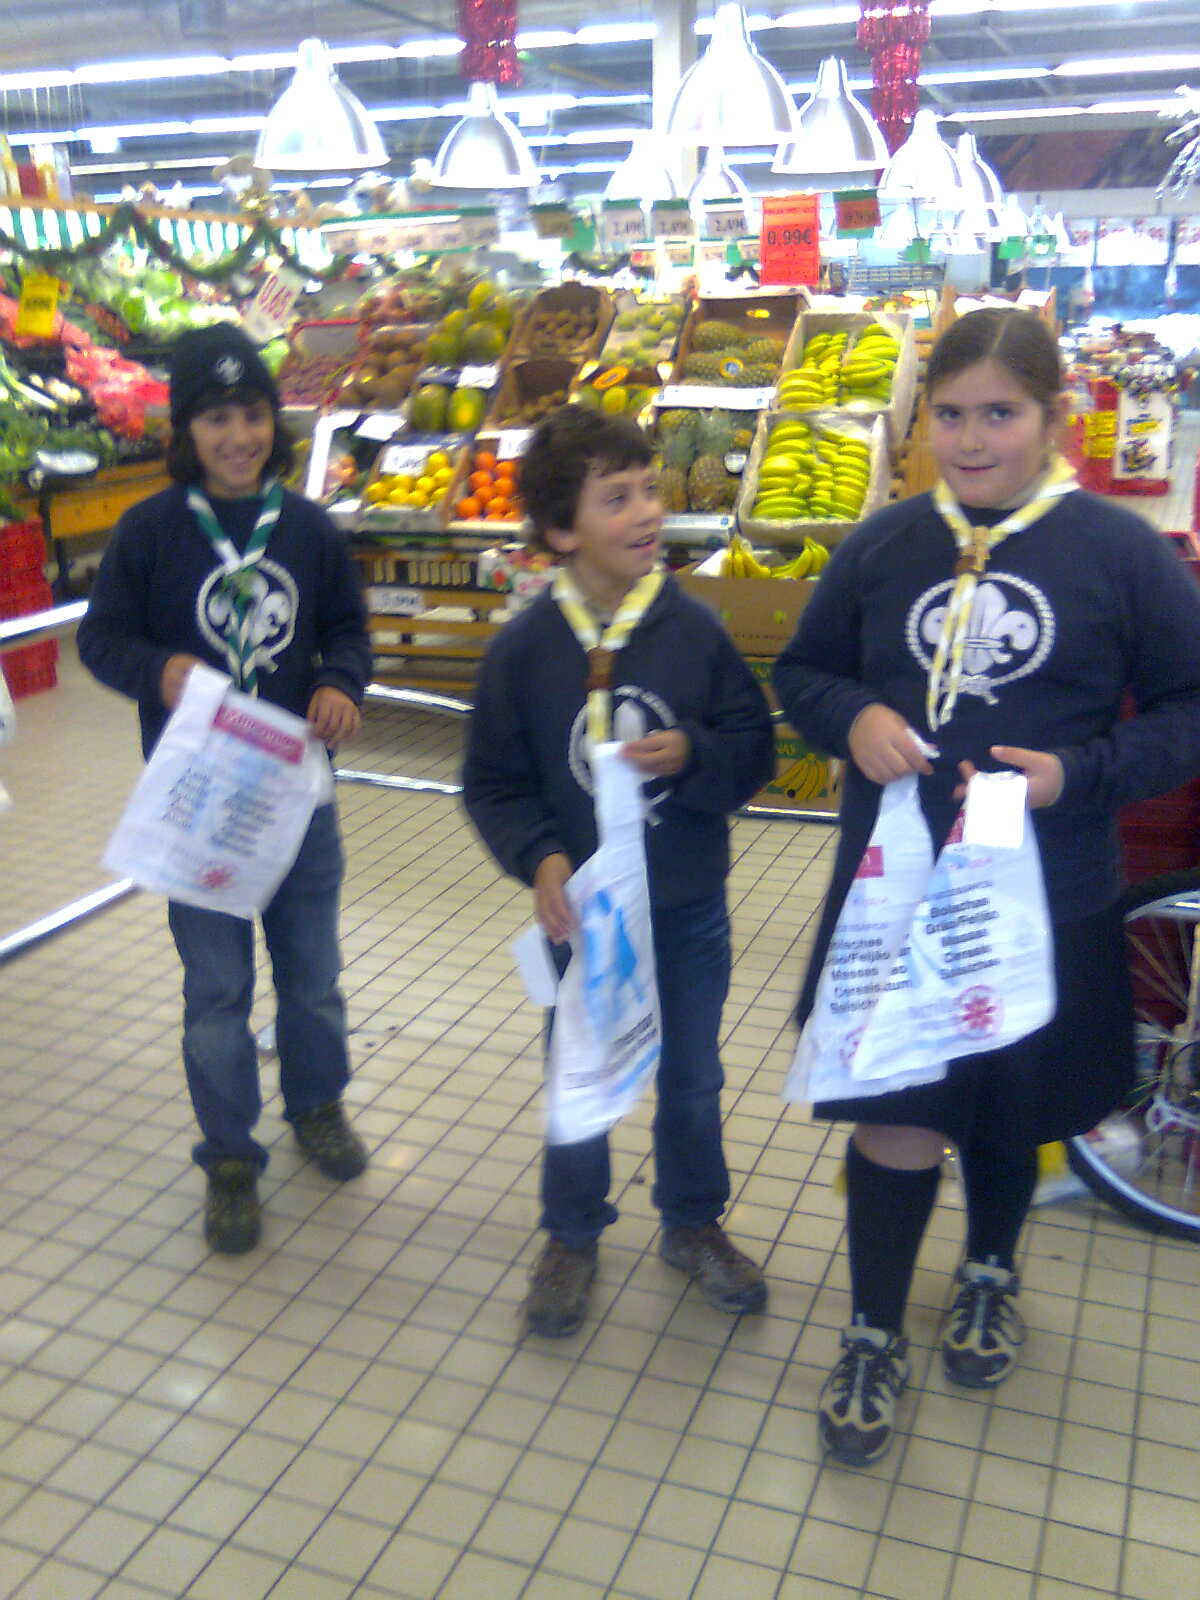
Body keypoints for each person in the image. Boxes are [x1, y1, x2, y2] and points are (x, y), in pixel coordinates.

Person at [773, 307, 1200, 1467]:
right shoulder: (881, 545)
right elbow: (803, 669)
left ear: (1055, 415)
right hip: (895, 894)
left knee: (1010, 1107)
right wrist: (852, 715)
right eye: (951, 414)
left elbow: (1187, 708)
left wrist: (1081, 773)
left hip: (1046, 892)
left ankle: (990, 1269)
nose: (971, 440)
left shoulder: (1119, 554)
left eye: (1000, 413)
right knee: (898, 1114)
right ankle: (872, 1325)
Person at [462, 406, 776, 1338]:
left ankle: (692, 1220)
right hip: (584, 917)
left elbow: (755, 746)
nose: (646, 512)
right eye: (617, 498)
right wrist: (540, 857)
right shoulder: (523, 651)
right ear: (562, 531)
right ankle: (570, 1232)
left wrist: (696, 753)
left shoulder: (695, 631)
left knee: (693, 1074)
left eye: (648, 490)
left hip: (685, 904)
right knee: (580, 1068)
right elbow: (493, 782)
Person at [78, 324, 373, 1255]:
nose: (238, 437)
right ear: (186, 430)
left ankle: (317, 1104)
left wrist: (341, 682)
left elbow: (348, 630)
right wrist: (157, 671)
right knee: (215, 989)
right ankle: (231, 1158)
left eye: (252, 415)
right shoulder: (149, 531)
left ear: (273, 422)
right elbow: (99, 638)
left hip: (298, 800)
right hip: (200, 803)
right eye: (216, 419)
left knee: (312, 974)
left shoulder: (310, 530)